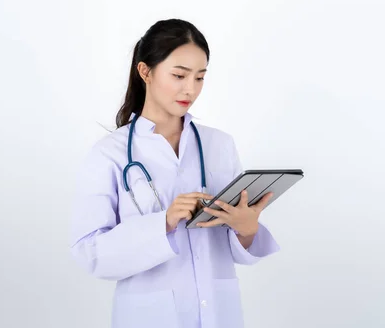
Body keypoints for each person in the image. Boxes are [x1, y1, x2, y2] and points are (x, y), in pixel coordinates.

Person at [69, 18, 280, 328]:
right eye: (179, 75)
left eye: (199, 78)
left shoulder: (219, 144)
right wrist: (164, 222)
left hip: (219, 314)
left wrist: (246, 229)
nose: (190, 89)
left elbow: (232, 247)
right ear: (146, 72)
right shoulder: (109, 155)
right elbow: (89, 252)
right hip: (148, 317)